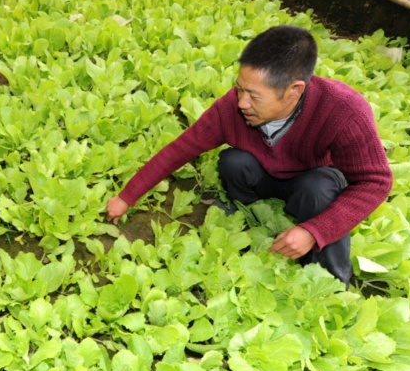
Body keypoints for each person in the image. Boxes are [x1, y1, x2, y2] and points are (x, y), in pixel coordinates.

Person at [105, 25, 393, 286]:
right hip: (266, 175)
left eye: (253, 95)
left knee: (317, 189)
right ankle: (248, 213)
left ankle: (331, 281)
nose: (241, 102)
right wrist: (126, 197)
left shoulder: (343, 110)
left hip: (310, 180)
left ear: (294, 91)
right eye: (239, 88)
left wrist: (315, 231)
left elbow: (376, 182)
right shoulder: (233, 106)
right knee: (233, 162)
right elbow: (181, 148)